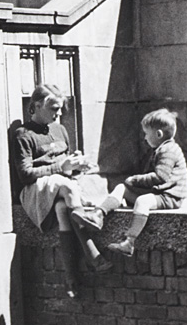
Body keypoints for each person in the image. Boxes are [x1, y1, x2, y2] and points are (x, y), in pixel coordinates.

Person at [10, 84, 113, 297]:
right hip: (34, 190)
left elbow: (66, 163)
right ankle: (90, 248)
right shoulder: (23, 135)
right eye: (53, 108)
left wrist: (77, 163)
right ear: (36, 106)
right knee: (64, 185)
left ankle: (70, 277)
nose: (58, 114)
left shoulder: (60, 130)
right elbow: (25, 175)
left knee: (61, 208)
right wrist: (60, 168)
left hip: (61, 190)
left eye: (60, 109)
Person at [106, 108, 187, 257]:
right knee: (122, 188)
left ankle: (129, 242)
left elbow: (160, 177)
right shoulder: (162, 148)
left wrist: (135, 180)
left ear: (158, 134)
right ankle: (99, 213)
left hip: (170, 196)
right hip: (162, 192)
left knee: (142, 202)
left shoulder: (168, 151)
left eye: (146, 133)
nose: (144, 138)